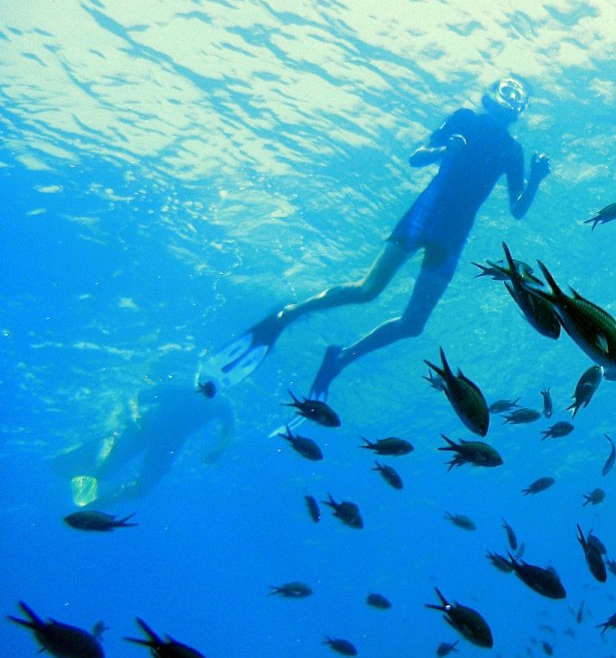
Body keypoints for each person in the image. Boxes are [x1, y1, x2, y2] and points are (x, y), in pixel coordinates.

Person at [201, 76, 551, 398]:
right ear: (490, 96)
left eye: (517, 98)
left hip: (453, 234)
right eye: (506, 92)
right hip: (423, 218)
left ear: (519, 111)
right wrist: (445, 151)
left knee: (413, 325)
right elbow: (416, 157)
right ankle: (287, 315)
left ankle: (340, 359)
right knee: (368, 290)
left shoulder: (511, 151)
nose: (510, 101)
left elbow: (517, 209)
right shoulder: (464, 118)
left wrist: (535, 178)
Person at [56, 379, 235, 510]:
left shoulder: (222, 404)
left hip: (169, 445)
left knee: (142, 490)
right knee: (106, 471)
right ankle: (106, 443)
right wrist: (132, 416)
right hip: (143, 430)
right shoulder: (182, 387)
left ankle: (98, 505)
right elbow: (135, 396)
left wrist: (220, 449)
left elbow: (229, 429)